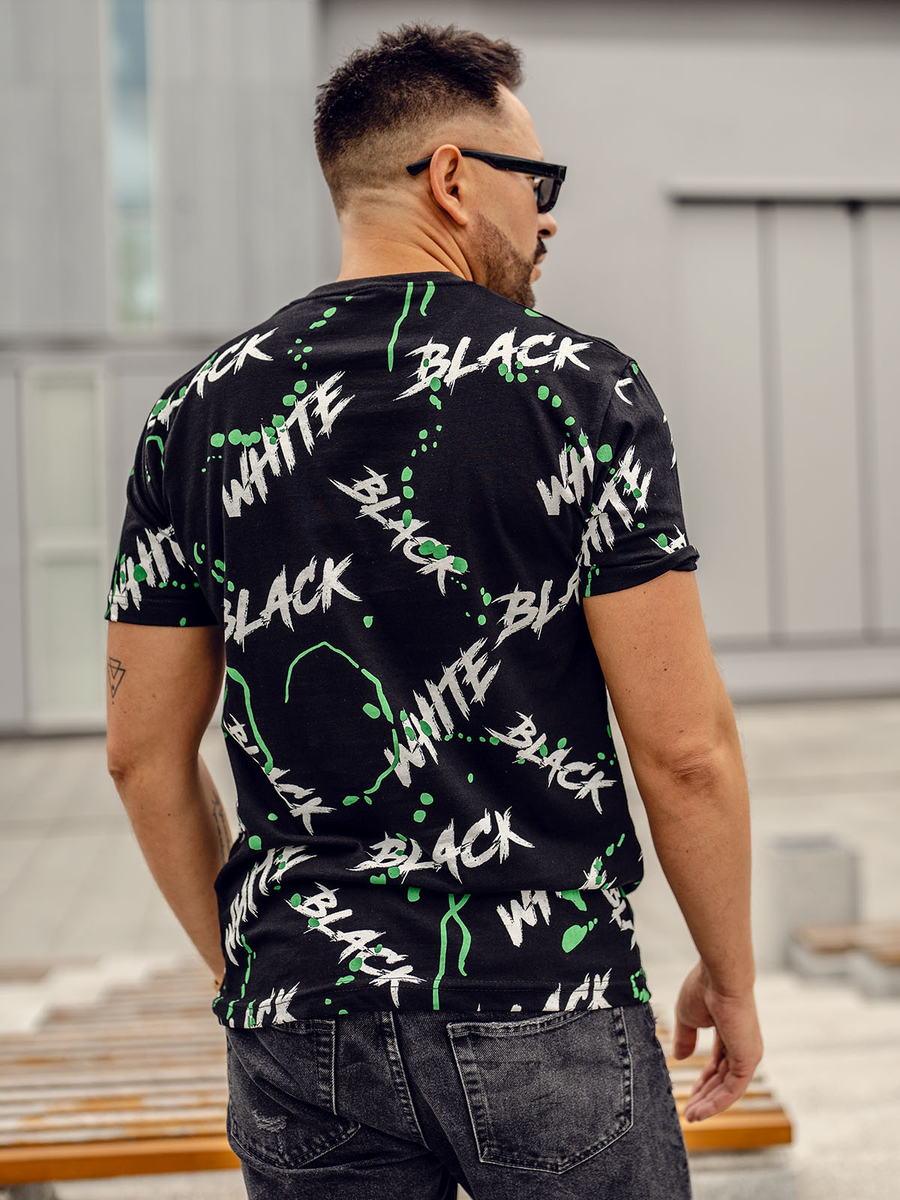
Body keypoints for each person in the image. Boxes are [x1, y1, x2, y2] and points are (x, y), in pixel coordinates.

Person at [105, 23, 762, 1200]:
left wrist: (266, 966)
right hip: (546, 996)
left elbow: (139, 753)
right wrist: (732, 972)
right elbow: (684, 750)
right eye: (537, 183)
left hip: (305, 1015)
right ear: (452, 178)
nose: (549, 220)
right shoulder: (580, 393)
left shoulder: (196, 416)